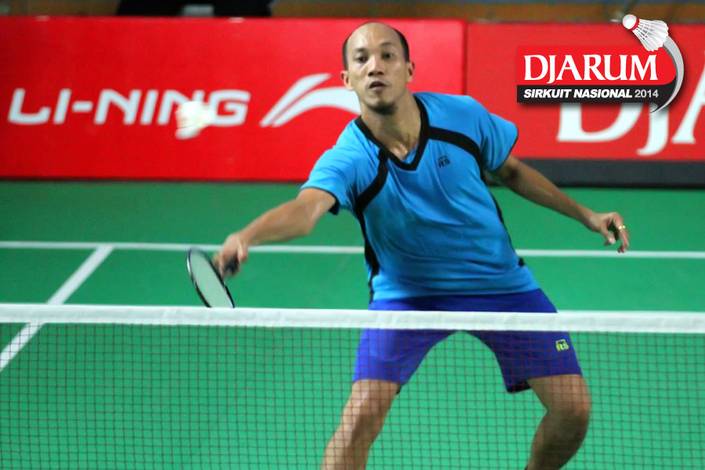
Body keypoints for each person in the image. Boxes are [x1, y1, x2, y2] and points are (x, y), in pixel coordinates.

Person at [214, 22, 630, 470]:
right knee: (359, 419)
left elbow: (510, 170)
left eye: (387, 55)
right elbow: (306, 210)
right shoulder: (349, 157)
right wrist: (247, 235)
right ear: (347, 79)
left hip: (500, 285)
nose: (375, 66)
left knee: (573, 410)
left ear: (409, 68)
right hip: (407, 296)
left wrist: (586, 215)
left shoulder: (462, 116)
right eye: (361, 59)